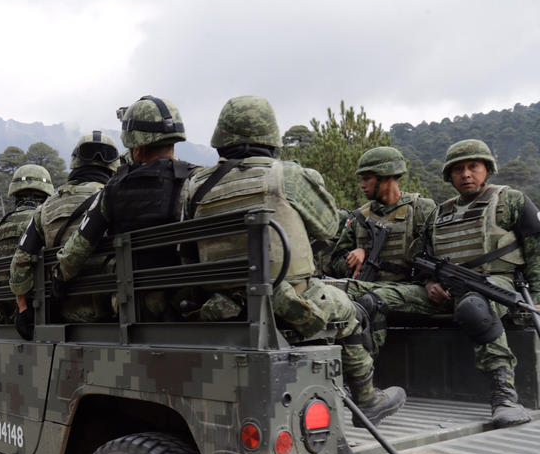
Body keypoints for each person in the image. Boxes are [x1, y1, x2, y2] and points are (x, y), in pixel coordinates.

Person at [184, 95, 405, 426]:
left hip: (221, 305)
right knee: (353, 311)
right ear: (271, 136)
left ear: (221, 138)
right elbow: (329, 228)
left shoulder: (196, 185)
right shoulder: (287, 176)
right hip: (287, 301)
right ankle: (367, 399)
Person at [364, 139, 540, 427]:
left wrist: (538, 293)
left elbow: (536, 249)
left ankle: (505, 397)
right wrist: (430, 281)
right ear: (449, 175)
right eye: (458, 169)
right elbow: (420, 257)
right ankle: (364, 389)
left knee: (474, 307)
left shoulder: (512, 201)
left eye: (473, 167)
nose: (466, 174)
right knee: (374, 299)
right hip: (444, 290)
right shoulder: (439, 213)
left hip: (495, 285)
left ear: (487, 168)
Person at [54, 95, 193, 321]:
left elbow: (76, 251)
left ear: (135, 147)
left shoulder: (112, 190)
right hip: (186, 307)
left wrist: (59, 277)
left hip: (133, 308)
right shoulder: (193, 181)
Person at [326, 146, 436, 353]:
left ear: (386, 177)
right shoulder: (358, 217)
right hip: (367, 288)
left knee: (372, 301)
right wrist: (354, 256)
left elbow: (438, 254)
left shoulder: (422, 209)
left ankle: (366, 370)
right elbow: (333, 263)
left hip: (413, 290)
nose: (361, 185)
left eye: (367, 178)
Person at [10, 131, 120, 336]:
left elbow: (20, 262)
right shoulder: (116, 196)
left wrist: (23, 309)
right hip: (114, 311)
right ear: (113, 164)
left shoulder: (46, 208)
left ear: (75, 162)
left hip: (63, 313)